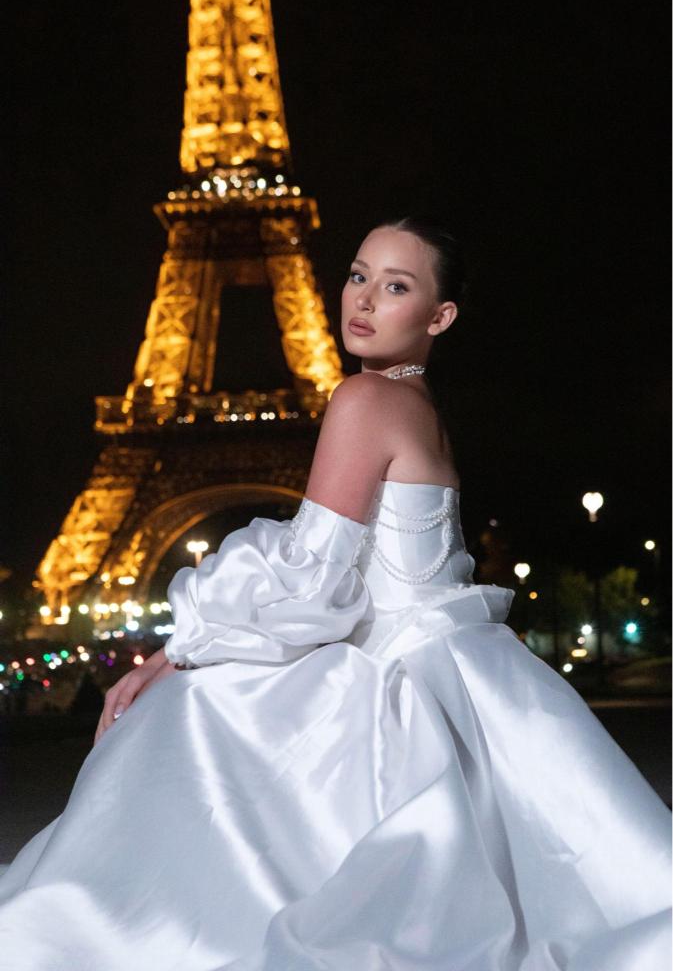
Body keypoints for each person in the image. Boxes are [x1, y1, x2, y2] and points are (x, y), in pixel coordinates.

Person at [0, 217, 670, 970]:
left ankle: (132, 917)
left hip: (392, 665)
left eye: (396, 286)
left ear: (439, 316)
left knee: (192, 709)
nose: (364, 299)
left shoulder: (363, 398)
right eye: (357, 275)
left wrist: (179, 651)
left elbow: (310, 572)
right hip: (455, 664)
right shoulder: (419, 404)